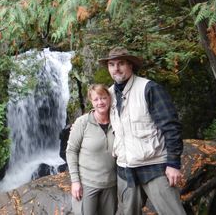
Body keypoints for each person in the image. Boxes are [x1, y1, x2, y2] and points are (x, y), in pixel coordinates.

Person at [98, 47, 186, 215]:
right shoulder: (108, 94)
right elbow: (99, 118)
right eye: (111, 64)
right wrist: (80, 125)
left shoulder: (149, 89)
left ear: (130, 65)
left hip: (155, 167)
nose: (116, 68)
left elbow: (171, 126)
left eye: (121, 63)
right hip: (125, 170)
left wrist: (173, 164)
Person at [66, 84, 117, 215]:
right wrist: (75, 181)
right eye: (96, 99)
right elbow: (71, 151)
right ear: (91, 102)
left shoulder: (118, 121)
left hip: (111, 184)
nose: (100, 102)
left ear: (109, 99)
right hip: (87, 184)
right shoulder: (82, 122)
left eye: (103, 98)